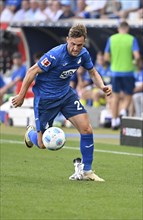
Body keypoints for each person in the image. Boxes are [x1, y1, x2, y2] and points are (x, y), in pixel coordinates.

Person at [12, 24, 112, 181]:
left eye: (79, 45)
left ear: (84, 42)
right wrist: (21, 95)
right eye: (73, 44)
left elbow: (93, 72)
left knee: (87, 129)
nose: (75, 48)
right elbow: (32, 71)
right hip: (46, 100)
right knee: (42, 144)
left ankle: (87, 171)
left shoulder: (83, 54)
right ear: (68, 40)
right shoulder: (55, 55)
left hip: (66, 96)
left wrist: (102, 86)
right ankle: (30, 134)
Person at [104, 21, 140, 130]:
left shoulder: (112, 39)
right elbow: (137, 56)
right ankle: (123, 110)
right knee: (129, 94)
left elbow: (106, 57)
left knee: (115, 97)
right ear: (127, 29)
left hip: (115, 72)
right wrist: (135, 64)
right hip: (128, 71)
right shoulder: (131, 39)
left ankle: (114, 121)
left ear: (118, 29)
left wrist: (113, 63)